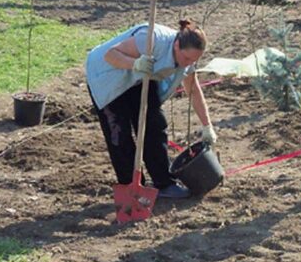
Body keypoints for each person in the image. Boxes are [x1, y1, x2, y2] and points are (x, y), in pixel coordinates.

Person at [85, 20, 215, 200]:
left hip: (139, 77)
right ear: (176, 45)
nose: (188, 64)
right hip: (108, 76)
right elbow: (110, 55)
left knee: (154, 124)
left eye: (194, 61)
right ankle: (131, 187)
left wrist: (207, 126)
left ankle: (164, 183)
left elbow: (193, 89)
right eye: (187, 59)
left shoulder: (187, 59)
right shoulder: (151, 39)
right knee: (119, 134)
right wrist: (136, 63)